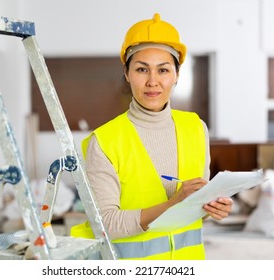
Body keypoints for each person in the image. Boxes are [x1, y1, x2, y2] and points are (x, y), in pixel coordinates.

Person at [71, 13, 233, 260]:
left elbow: (196, 203)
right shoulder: (105, 141)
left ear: (177, 75)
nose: (153, 81)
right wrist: (170, 205)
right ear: (126, 73)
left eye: (163, 70)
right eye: (141, 69)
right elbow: (104, 224)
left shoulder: (196, 128)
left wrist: (212, 208)